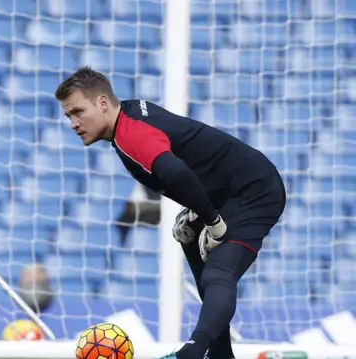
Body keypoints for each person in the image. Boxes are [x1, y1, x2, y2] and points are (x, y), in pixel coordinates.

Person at [54, 67, 287, 359]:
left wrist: (212, 220)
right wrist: (200, 211)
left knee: (218, 272)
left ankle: (191, 353)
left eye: (78, 112)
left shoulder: (130, 134)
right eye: (69, 116)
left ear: (103, 103)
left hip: (253, 190)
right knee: (194, 250)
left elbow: (174, 170)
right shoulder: (128, 116)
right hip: (227, 190)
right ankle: (220, 355)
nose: (73, 123)